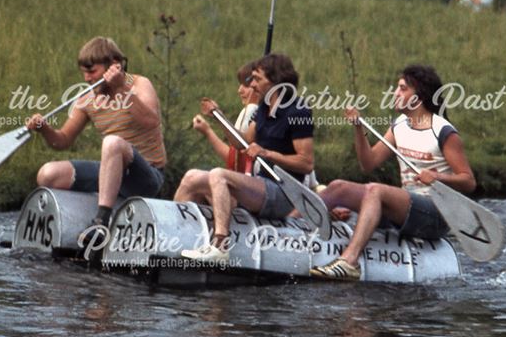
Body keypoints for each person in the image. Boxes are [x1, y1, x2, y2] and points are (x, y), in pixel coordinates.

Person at [311, 66, 476, 280]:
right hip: (408, 207)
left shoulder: (443, 131)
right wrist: (358, 128)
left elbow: (469, 181)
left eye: (402, 89)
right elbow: (368, 163)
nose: (395, 93)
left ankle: (349, 263)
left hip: (436, 214)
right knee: (338, 187)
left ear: (419, 95)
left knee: (375, 191)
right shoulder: (399, 125)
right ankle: (290, 226)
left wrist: (437, 177)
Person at [176, 54, 314, 263]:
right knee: (191, 177)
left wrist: (268, 154)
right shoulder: (264, 109)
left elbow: (306, 163)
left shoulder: (298, 112)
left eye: (257, 79)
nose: (253, 84)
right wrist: (218, 116)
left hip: (283, 192)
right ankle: (174, 238)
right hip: (260, 186)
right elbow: (241, 143)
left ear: (275, 80)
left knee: (219, 175)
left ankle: (220, 247)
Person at [25, 37, 166, 242]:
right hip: (112, 171)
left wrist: (120, 89)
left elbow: (151, 121)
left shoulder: (139, 84)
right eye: (84, 72)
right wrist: (44, 128)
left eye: (92, 71)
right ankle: (64, 225)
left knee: (112, 142)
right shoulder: (87, 100)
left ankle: (101, 222)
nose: (87, 78)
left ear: (114, 65)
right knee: (48, 174)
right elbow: (63, 141)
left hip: (147, 176)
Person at [190, 61, 261, 174]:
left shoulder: (252, 109)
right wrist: (207, 131)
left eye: (246, 85)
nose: (239, 90)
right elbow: (234, 158)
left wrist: (212, 126)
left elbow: (236, 159)